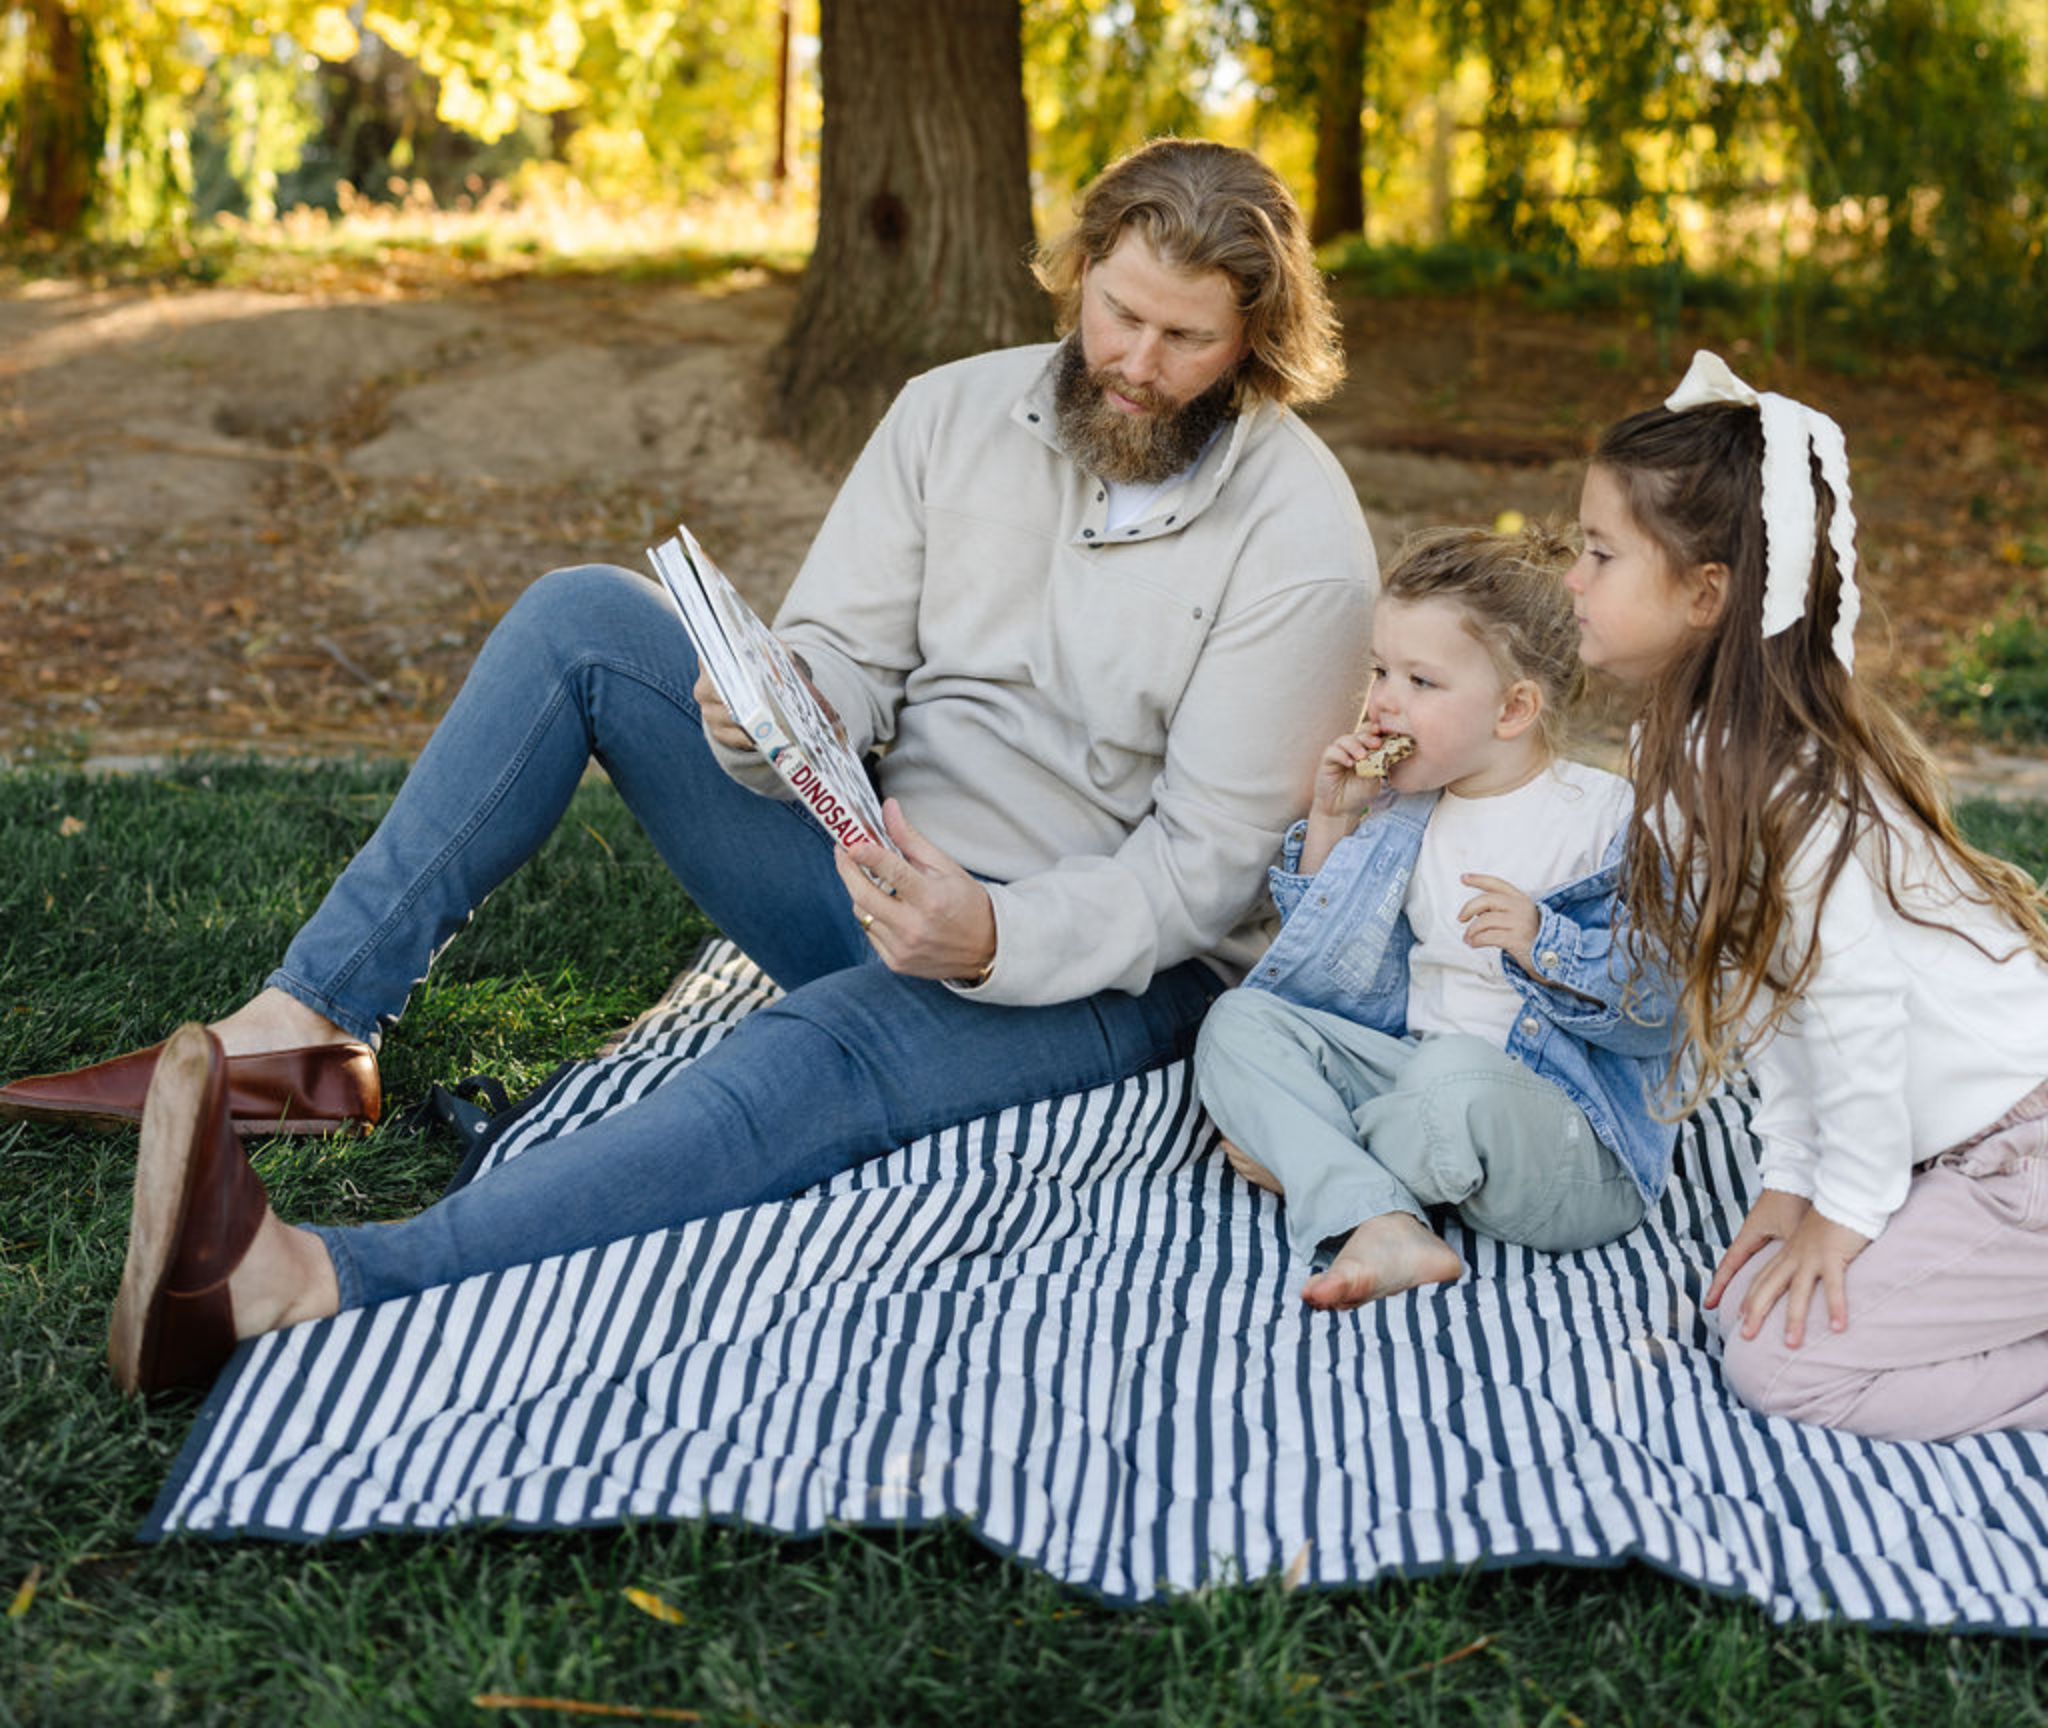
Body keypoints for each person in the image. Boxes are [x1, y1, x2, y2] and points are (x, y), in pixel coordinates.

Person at [23, 137, 1379, 1397]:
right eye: (1116, 313)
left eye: (1184, 338)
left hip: (1107, 966)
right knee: (584, 618)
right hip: (873, 867)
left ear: (1255, 338)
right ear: (1079, 272)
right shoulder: (947, 413)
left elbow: (1198, 878)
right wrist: (781, 705)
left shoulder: (1301, 535)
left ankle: (309, 1281)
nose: (1135, 362)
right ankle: (309, 1029)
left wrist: (989, 935)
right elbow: (845, 645)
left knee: (815, 1049)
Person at [1575, 350, 2048, 1441]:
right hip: (1962, 1153)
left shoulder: (1781, 776)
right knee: (1754, 1303)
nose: (1571, 576)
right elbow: (1769, 1001)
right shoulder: (1694, 748)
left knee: (1785, 1371)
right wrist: (1790, 1181)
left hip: (2021, 1154)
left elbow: (1852, 1005)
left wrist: (1847, 1207)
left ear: (1705, 593)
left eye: (1598, 553)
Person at [1195, 523, 1682, 1311]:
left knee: (1451, 1080)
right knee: (1239, 1022)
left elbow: (1663, 1008)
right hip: (1418, 1089)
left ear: (1514, 708)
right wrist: (1331, 827)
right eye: (1380, 671)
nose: (1384, 701)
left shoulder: (1605, 819)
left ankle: (1318, 1161)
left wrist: (1545, 944)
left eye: (1422, 682)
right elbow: (1324, 989)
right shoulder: (1400, 814)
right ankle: (1385, 1221)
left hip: (1564, 1144)